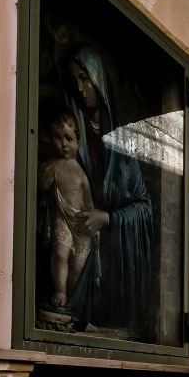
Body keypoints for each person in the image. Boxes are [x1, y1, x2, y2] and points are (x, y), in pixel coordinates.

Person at [62, 45, 153, 333]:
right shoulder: (71, 136)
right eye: (75, 80)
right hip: (80, 249)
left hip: (117, 259)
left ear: (98, 78)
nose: (80, 88)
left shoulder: (124, 145)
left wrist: (108, 218)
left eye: (85, 78)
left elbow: (144, 207)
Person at [38, 107, 96, 308]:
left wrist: (94, 226)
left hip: (80, 223)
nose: (63, 144)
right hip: (61, 217)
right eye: (57, 137)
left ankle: (71, 299)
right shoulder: (51, 165)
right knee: (60, 254)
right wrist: (43, 180)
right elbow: (41, 186)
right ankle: (60, 291)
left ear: (78, 142)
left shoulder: (81, 173)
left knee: (78, 265)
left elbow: (88, 203)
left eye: (68, 138)